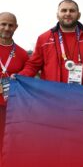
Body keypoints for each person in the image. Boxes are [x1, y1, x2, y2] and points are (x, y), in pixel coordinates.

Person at [18, 0, 83, 86]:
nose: (68, 13)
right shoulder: (44, 39)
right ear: (57, 15)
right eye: (64, 10)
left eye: (72, 11)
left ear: (79, 15)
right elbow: (33, 65)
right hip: (53, 95)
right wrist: (19, 77)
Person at [0, 12, 29, 157]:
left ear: (16, 27)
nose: (6, 28)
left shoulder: (23, 54)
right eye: (3, 24)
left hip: (10, 109)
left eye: (10, 25)